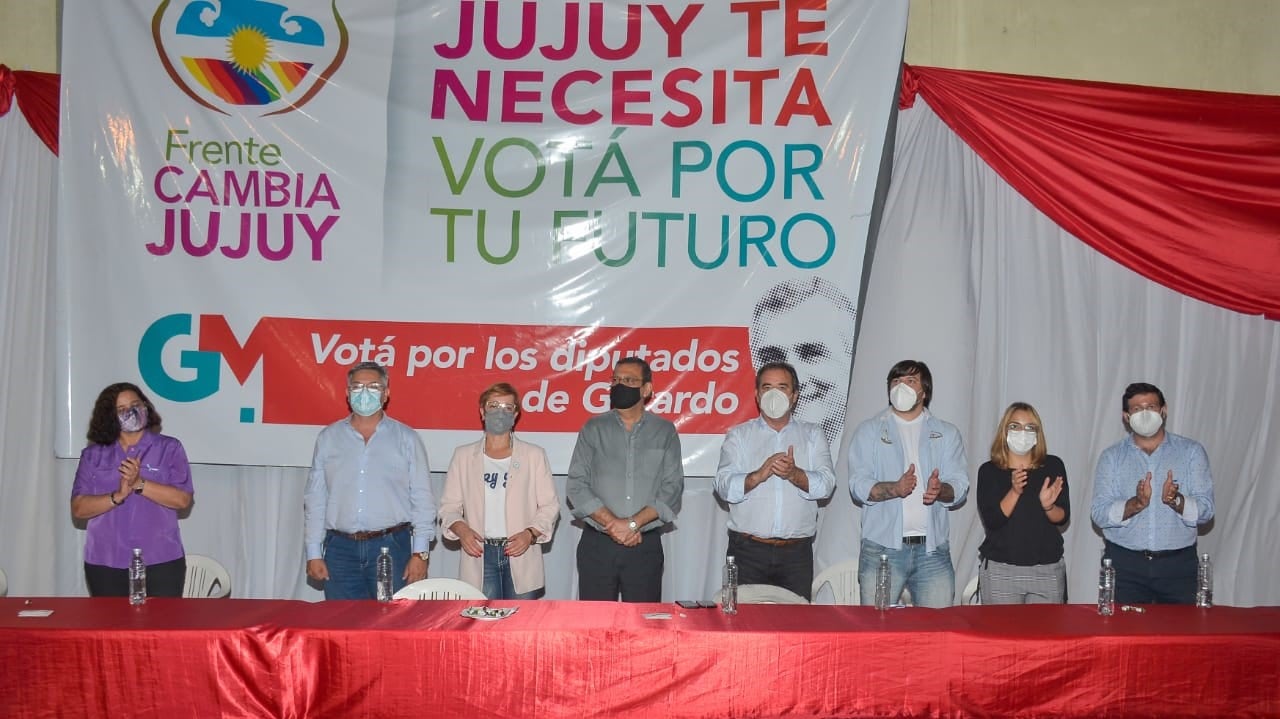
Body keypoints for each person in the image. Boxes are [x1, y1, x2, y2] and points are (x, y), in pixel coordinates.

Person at [304, 361, 436, 599]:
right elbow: (315, 499)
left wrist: (421, 553)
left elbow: (422, 498)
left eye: (373, 387)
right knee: (342, 626)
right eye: (357, 387)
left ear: (386, 394)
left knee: (391, 626)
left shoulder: (406, 438)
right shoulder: (328, 438)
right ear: (347, 393)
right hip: (339, 550)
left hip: (392, 547)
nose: (364, 393)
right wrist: (313, 552)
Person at [848, 360, 968, 607]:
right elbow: (858, 484)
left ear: (924, 392)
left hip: (932, 552)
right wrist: (895, 488)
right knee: (876, 630)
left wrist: (940, 489)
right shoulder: (869, 430)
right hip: (882, 550)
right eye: (896, 381)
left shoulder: (946, 433)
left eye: (910, 381)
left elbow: (959, 483)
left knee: (937, 632)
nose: (901, 386)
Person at [714, 361, 835, 600]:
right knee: (741, 628)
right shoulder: (739, 435)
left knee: (794, 629)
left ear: (794, 395)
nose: (774, 395)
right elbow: (723, 486)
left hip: (796, 554)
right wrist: (758, 475)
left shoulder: (812, 434)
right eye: (767, 388)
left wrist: (795, 474)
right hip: (747, 551)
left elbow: (827, 484)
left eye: (782, 387)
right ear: (757, 395)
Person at [567, 357, 684, 602]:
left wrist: (631, 525)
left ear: (647, 389)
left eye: (629, 380)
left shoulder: (664, 431)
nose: (620, 386)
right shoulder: (593, 428)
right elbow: (576, 485)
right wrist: (613, 524)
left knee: (644, 628)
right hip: (597, 546)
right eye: (616, 380)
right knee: (594, 628)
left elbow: (672, 488)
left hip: (644, 546)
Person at [1090, 382, 1214, 604]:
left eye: (1151, 406)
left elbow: (1207, 512)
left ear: (1163, 411)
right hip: (1126, 566)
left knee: (1183, 635)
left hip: (1178, 566)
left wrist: (1176, 500)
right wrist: (1135, 504)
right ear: (1126, 417)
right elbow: (1098, 514)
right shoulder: (1112, 457)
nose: (1145, 413)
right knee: (1125, 636)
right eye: (1137, 409)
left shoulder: (1191, 452)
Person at [70, 382, 194, 597]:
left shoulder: (169, 448)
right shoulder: (93, 455)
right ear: (109, 417)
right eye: (121, 410)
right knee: (111, 628)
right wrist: (117, 496)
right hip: (105, 562)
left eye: (136, 404)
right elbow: (79, 508)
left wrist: (140, 484)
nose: (131, 412)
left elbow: (183, 500)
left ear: (146, 406)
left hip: (160, 560)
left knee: (160, 628)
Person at [438, 382, 560, 599]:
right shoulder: (463, 456)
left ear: (516, 414)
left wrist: (530, 534)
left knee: (519, 628)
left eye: (507, 407)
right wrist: (462, 529)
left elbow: (550, 506)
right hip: (479, 554)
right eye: (493, 406)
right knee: (481, 626)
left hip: (520, 552)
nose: (500, 413)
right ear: (482, 412)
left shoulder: (534, 455)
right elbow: (449, 507)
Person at [975, 402, 1069, 604]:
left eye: (1029, 427)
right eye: (1015, 426)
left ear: (1038, 433)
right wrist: (1015, 491)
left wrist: (1049, 507)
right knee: (1002, 635)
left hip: (1047, 569)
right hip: (1002, 570)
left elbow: (1063, 518)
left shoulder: (1053, 465)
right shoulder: (989, 471)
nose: (1022, 432)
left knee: (1046, 635)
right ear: (1004, 430)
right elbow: (993, 520)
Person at [749, 276, 856, 447]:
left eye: (812, 354)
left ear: (851, 358)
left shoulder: (873, 446)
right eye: (773, 359)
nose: (796, 379)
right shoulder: (743, 446)